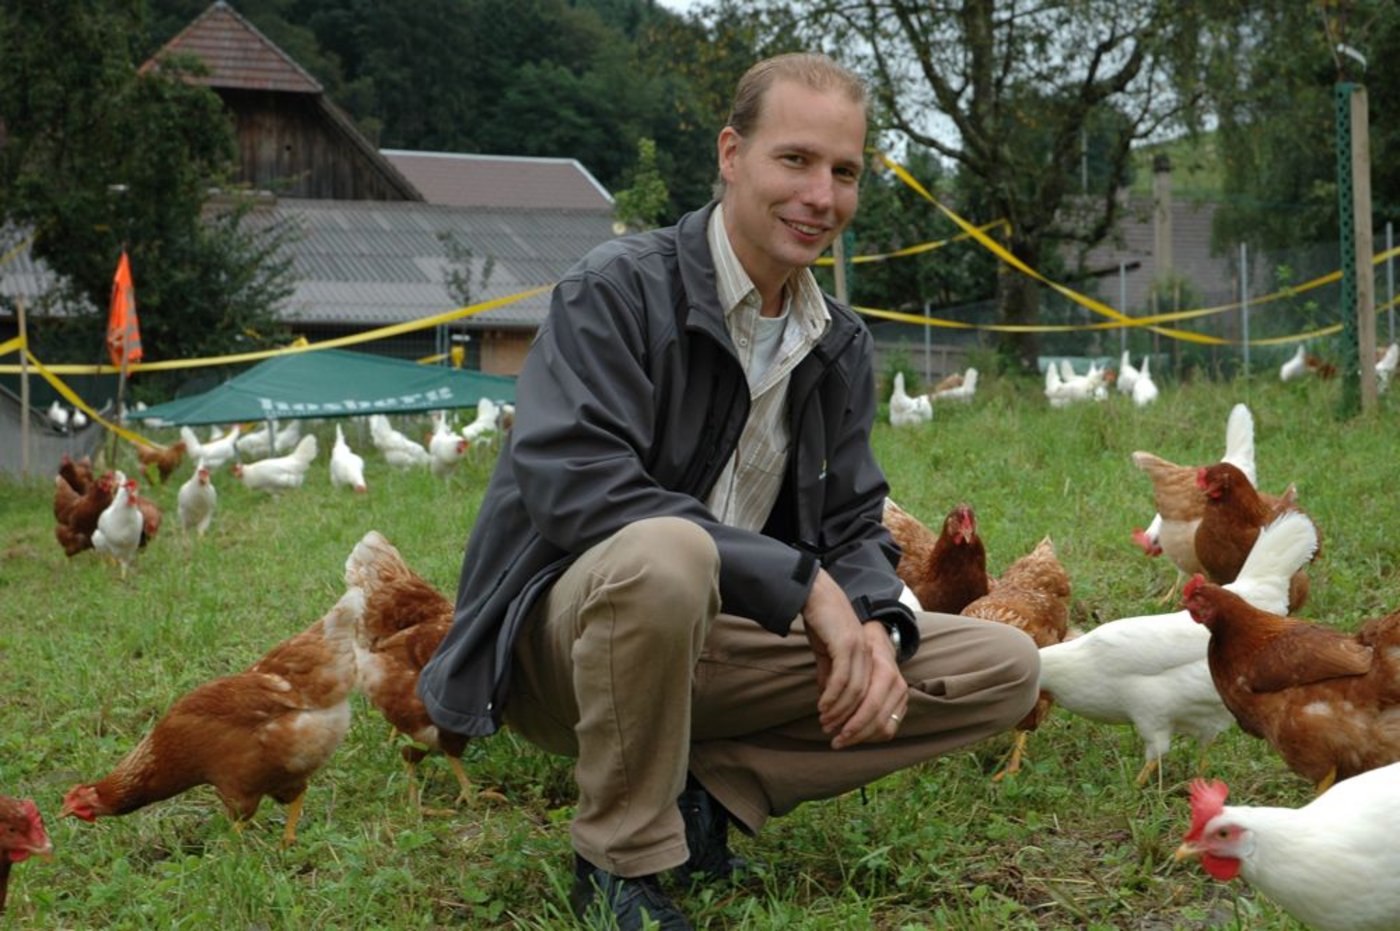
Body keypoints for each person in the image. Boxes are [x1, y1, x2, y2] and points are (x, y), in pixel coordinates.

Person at [418, 52, 1040, 930]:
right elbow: (578, 484)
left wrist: (876, 620)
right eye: (796, 160)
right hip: (568, 645)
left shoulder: (838, 342)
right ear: (731, 155)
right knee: (668, 552)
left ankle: (708, 790)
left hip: (722, 638)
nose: (820, 196)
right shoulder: (615, 291)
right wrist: (803, 587)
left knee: (1003, 666)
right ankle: (619, 864)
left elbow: (853, 521)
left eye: (844, 172)